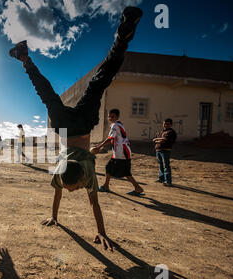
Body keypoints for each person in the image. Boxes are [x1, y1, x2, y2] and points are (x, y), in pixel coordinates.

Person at [10, 6, 143, 251]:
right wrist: (91, 229)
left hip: (74, 125)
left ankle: (26, 58)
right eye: (74, 188)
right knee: (90, 85)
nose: (72, 191)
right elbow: (78, 198)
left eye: (73, 187)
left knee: (88, 85)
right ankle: (121, 39)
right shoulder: (75, 173)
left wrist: (96, 230)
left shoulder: (74, 174)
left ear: (78, 177)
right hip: (78, 123)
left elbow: (74, 198)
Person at [93, 109, 144, 196]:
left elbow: (109, 139)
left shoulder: (115, 125)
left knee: (125, 172)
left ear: (117, 117)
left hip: (122, 152)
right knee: (109, 167)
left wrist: (99, 146)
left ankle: (138, 188)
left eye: (112, 116)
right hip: (120, 152)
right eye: (109, 116)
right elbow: (112, 140)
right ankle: (106, 186)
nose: (110, 118)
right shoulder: (117, 124)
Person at [153, 118, 177, 187]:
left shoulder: (171, 132)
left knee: (166, 166)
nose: (165, 125)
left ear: (171, 125)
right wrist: (158, 140)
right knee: (161, 165)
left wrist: (157, 139)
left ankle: (168, 181)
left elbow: (164, 140)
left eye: (167, 124)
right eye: (164, 123)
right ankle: (161, 178)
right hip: (158, 150)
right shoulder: (161, 132)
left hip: (166, 150)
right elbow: (154, 139)